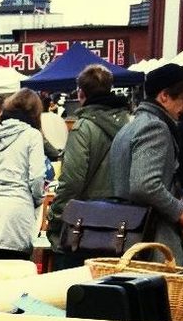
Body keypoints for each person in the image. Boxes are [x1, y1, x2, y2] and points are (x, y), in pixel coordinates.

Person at [107, 62, 183, 265]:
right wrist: (180, 214)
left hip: (130, 236)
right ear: (164, 96)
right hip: (152, 242)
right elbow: (144, 185)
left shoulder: (132, 126)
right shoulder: (155, 127)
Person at [45, 64, 131, 269]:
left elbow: (72, 181)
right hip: (121, 224)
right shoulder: (129, 125)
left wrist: (56, 217)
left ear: (81, 92)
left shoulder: (83, 128)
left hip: (84, 225)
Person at [0, 88, 47, 262]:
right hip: (20, 212)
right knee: (17, 273)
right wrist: (37, 200)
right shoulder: (33, 135)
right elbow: (37, 177)